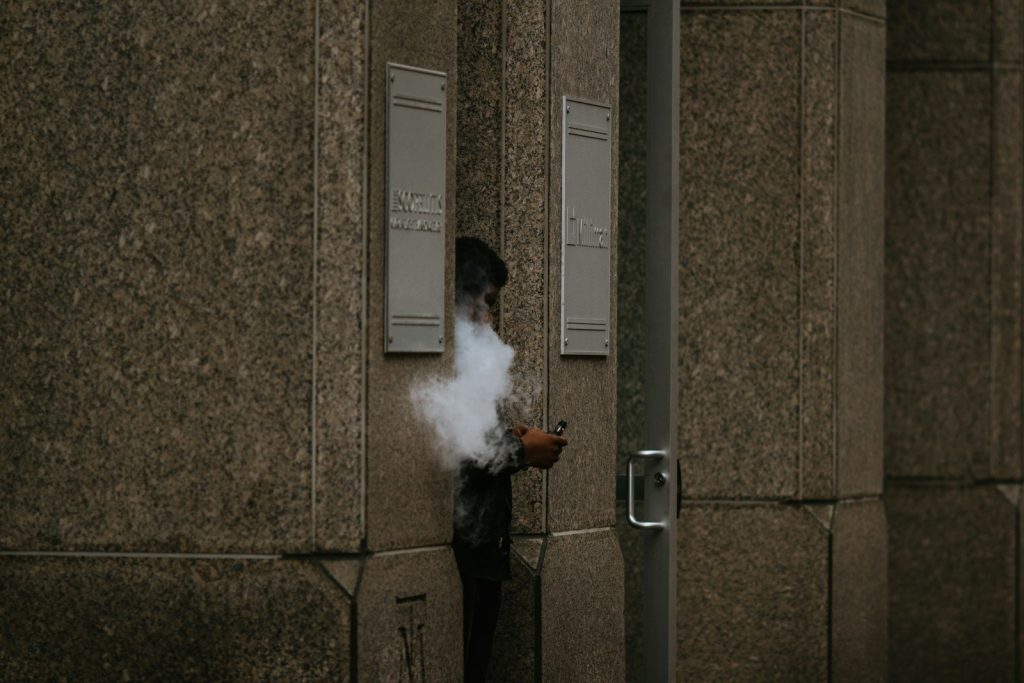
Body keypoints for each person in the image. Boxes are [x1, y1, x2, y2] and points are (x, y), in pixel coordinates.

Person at [452, 236, 567, 682]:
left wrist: (511, 440)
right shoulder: (440, 361)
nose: (489, 317)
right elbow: (458, 453)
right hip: (468, 555)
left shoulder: (464, 359)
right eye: (486, 302)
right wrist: (521, 450)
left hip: (483, 552)